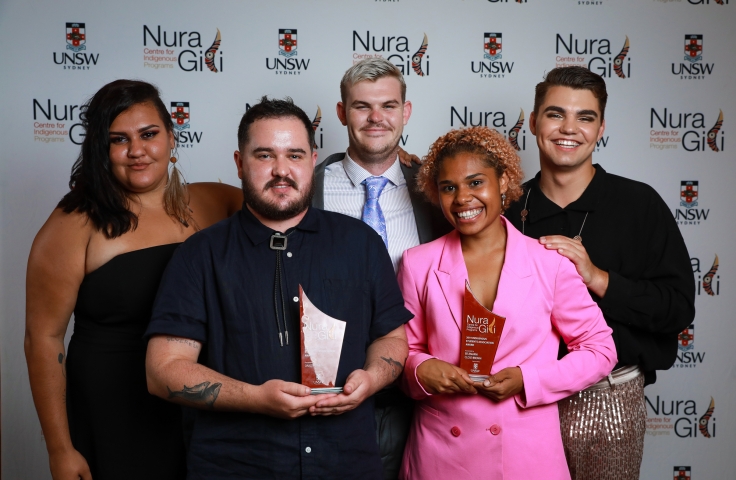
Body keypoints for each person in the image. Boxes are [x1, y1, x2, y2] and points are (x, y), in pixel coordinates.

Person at [144, 96, 412, 479]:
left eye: (295, 155)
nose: (281, 170)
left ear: (314, 160)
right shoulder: (200, 255)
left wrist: (369, 380)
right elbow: (163, 370)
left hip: (345, 464)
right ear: (239, 163)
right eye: (265, 156)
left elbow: (392, 339)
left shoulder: (361, 243)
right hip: (236, 467)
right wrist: (254, 398)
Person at [24, 80, 242, 480]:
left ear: (172, 137)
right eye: (118, 139)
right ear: (100, 150)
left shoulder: (217, 202)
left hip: (197, 406)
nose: (137, 150)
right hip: (113, 413)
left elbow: (285, 199)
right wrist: (60, 448)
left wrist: (390, 169)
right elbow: (44, 339)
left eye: (149, 134)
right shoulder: (73, 223)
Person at [504, 66, 695, 479]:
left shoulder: (639, 204)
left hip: (607, 401)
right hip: (521, 397)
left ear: (601, 127)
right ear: (534, 121)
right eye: (555, 114)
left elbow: (677, 309)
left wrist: (597, 278)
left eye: (584, 117)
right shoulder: (505, 210)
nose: (568, 128)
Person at [398, 126, 617, 480]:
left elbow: (600, 349)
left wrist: (527, 380)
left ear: (502, 182)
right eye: (448, 188)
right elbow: (403, 350)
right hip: (441, 454)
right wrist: (421, 370)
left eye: (475, 183)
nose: (462, 199)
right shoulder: (417, 263)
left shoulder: (550, 262)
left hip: (525, 455)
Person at [313, 57, 451, 480]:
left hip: (420, 390)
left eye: (389, 106)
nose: (376, 119)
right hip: (329, 387)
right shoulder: (306, 188)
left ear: (405, 112)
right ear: (341, 113)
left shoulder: (438, 189)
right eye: (362, 107)